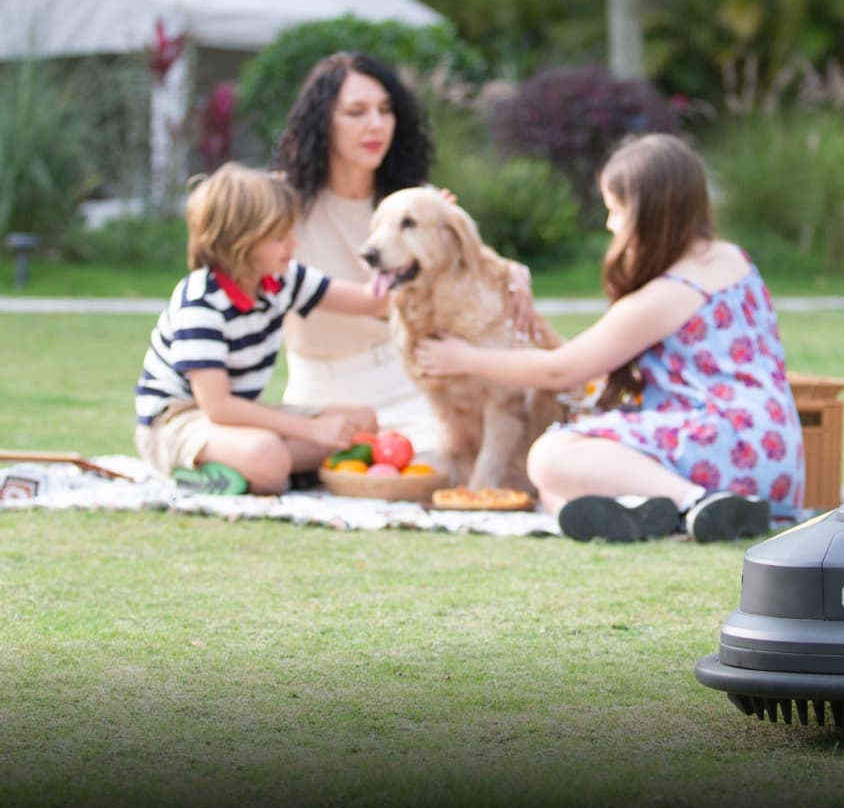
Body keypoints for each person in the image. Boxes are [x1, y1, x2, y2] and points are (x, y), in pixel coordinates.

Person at [411, 132, 806, 541]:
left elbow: (559, 371)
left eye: (615, 211)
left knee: (550, 456)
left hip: (725, 446)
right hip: (777, 455)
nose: (609, 224)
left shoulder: (667, 295)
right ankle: (655, 515)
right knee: (555, 492)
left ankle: (696, 503)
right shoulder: (731, 258)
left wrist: (464, 358)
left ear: (646, 213)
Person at [273, 50, 536, 460]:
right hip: (318, 387)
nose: (376, 125)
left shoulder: (416, 205)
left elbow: (473, 260)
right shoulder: (280, 204)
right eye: (356, 112)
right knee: (277, 463)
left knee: (434, 464)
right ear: (322, 122)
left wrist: (514, 272)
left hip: (404, 380)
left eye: (385, 110)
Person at [133, 163, 392, 491]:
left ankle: (261, 472)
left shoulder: (281, 280)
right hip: (177, 423)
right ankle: (228, 473)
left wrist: (413, 243)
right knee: (268, 454)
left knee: (360, 423)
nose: (293, 245)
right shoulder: (201, 301)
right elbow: (217, 406)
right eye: (280, 237)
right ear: (242, 242)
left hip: (241, 418)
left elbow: (371, 301)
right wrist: (310, 431)